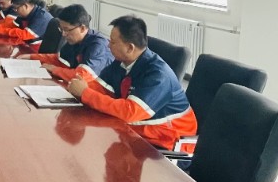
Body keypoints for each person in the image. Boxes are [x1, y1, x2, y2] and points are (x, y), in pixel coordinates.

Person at [64, 15, 198, 150]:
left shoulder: (159, 75)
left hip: (166, 141)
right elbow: (99, 88)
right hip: (137, 132)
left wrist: (85, 93)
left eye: (113, 42)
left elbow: (129, 112)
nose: (108, 45)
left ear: (130, 48)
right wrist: (79, 88)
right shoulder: (122, 62)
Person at [28, 4, 113, 81]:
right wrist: (30, 56)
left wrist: (54, 69)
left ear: (82, 28)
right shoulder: (74, 41)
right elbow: (58, 59)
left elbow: (81, 76)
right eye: (61, 29)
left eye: (66, 30)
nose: (63, 34)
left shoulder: (97, 45)